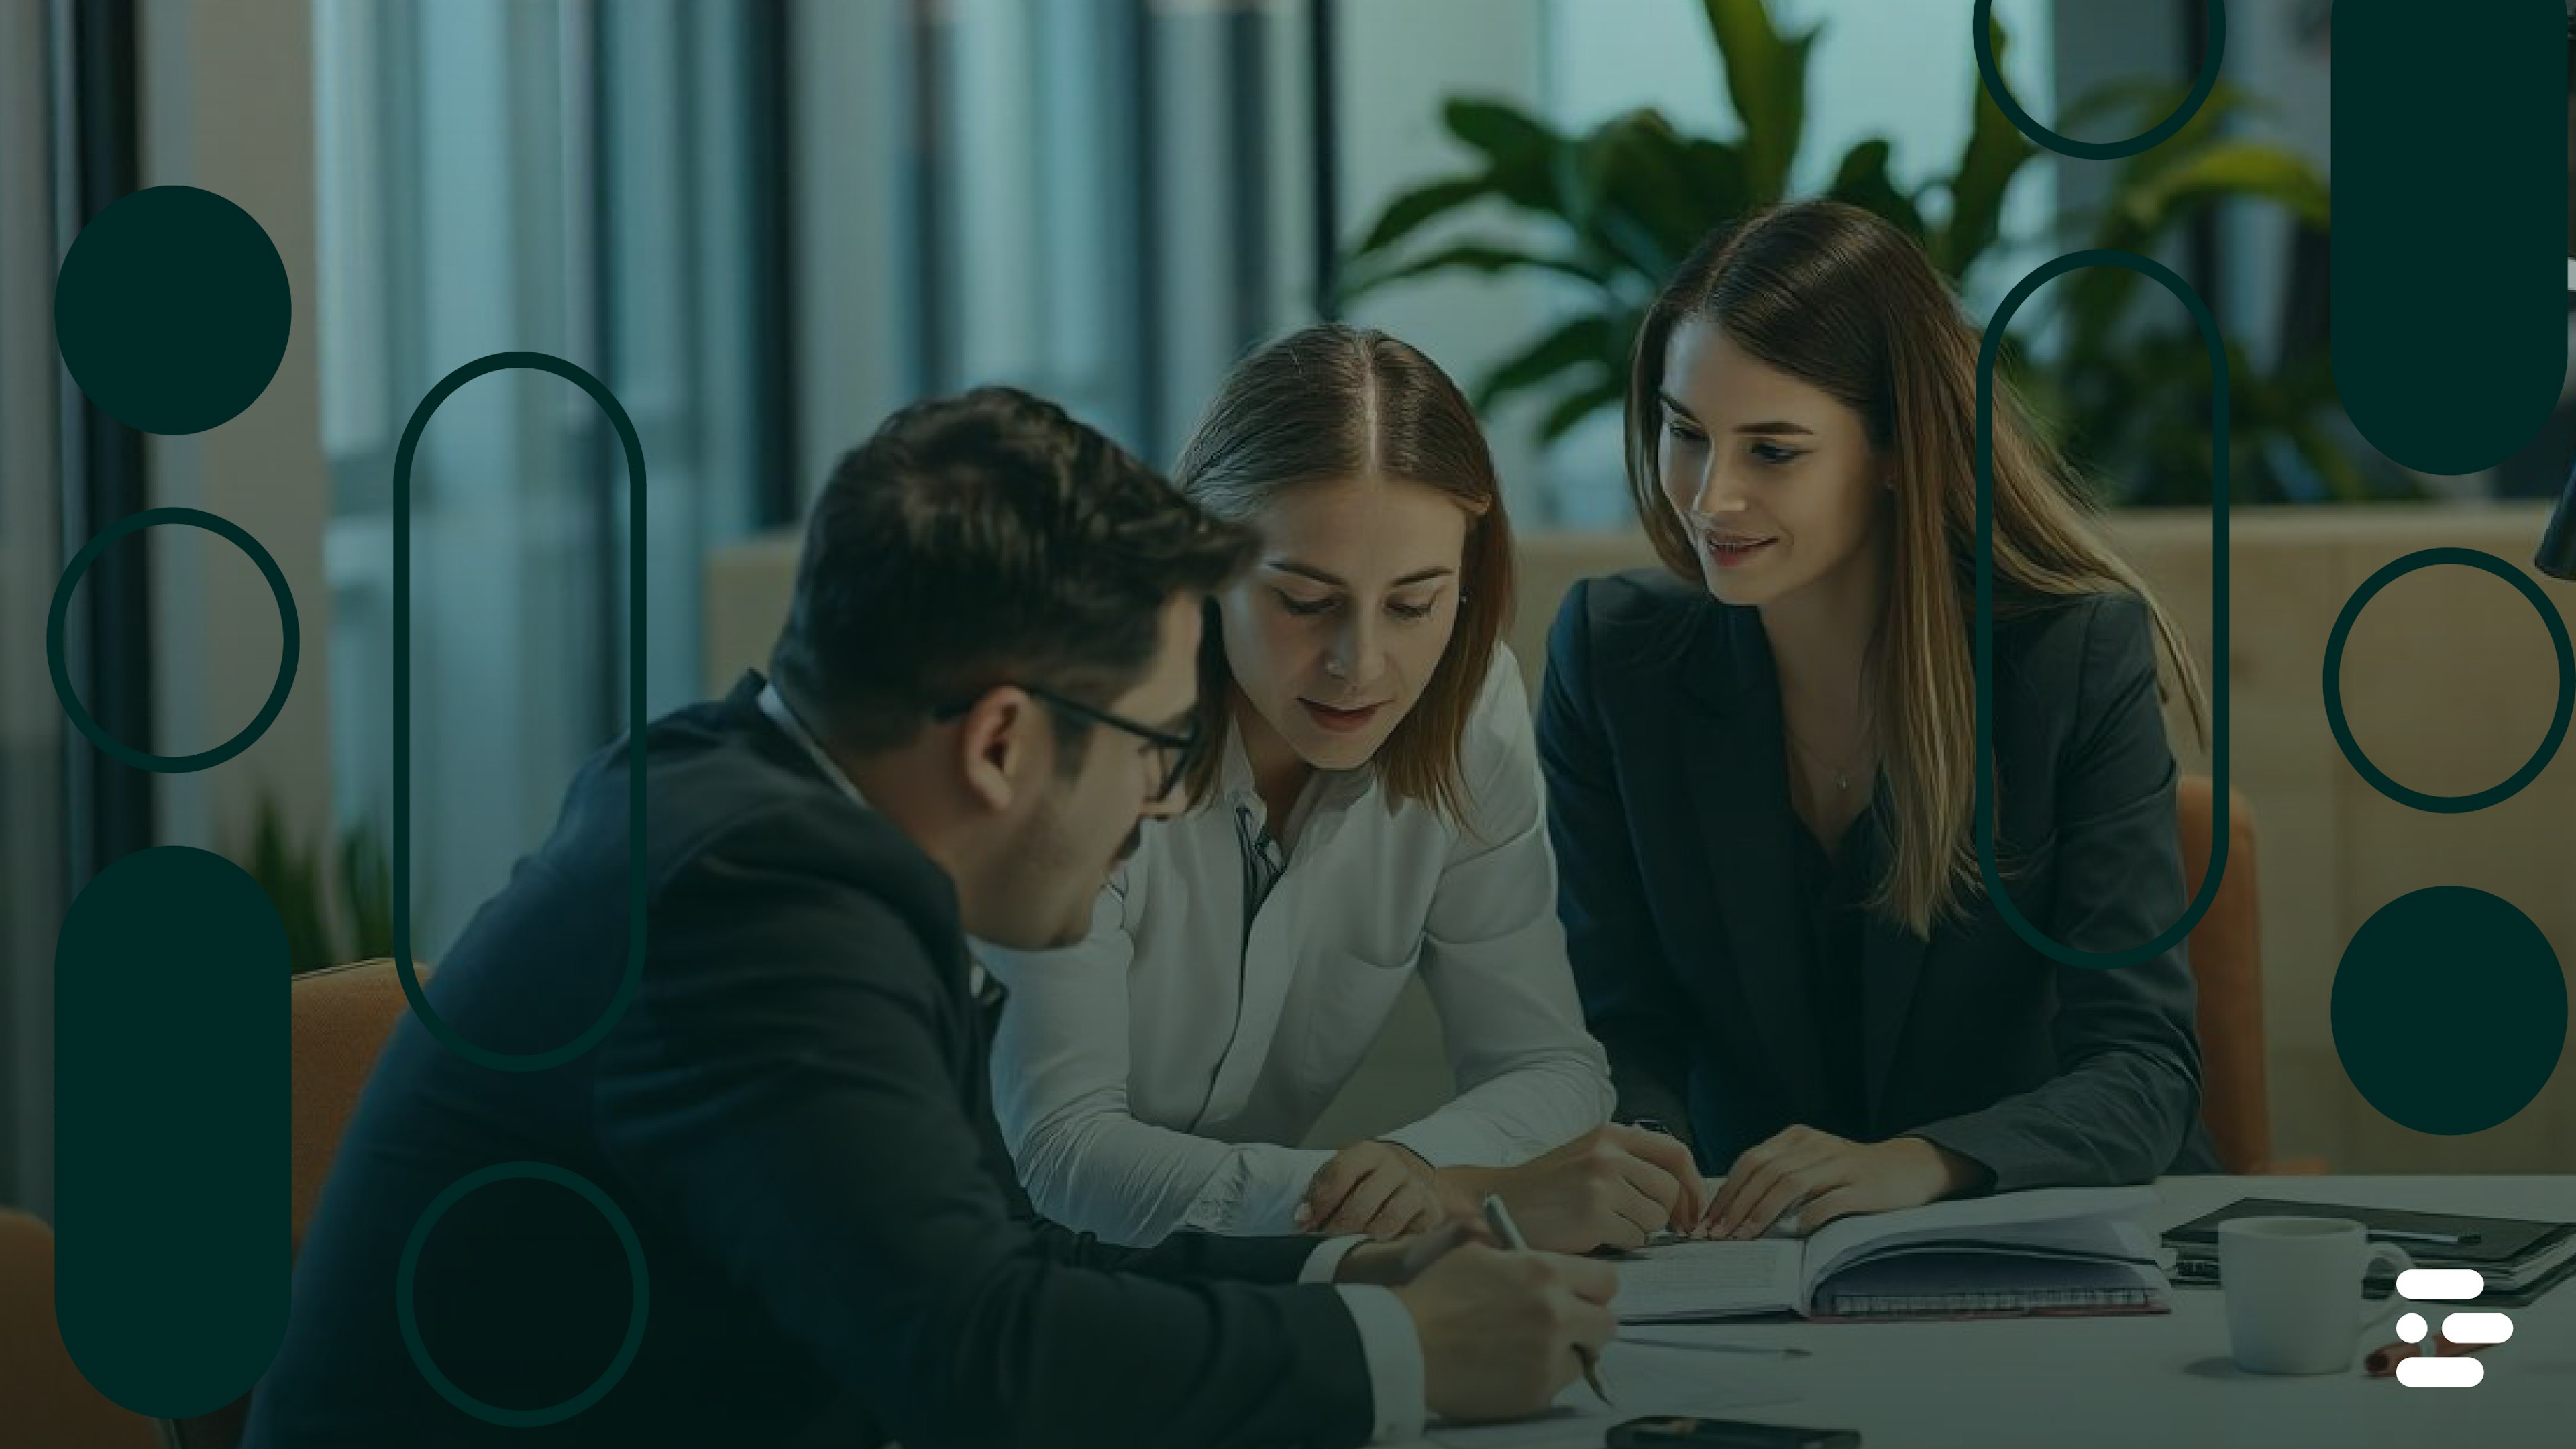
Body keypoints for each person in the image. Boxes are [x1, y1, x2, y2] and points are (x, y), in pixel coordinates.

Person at [245, 388, 1616, 1449]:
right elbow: (979, 1360)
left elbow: (1001, 1263)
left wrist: (1349, 1272)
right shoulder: (755, 909)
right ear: (1003, 743)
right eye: (1155, 746)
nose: (1157, 802)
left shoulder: (760, 820)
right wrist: (1410, 1353)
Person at [1540, 199, 2224, 1244]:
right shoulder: (1611, 657)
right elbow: (1618, 1023)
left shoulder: (2072, 660)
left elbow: (2143, 1070)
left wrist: (1923, 1163)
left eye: (1773, 451)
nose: (1712, 498)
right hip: (1745, 1256)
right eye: (1687, 434)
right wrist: (1644, 1155)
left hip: (2036, 1242)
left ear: (1899, 448)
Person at [980, 324, 1703, 1256]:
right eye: (1306, 602)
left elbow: (1551, 1068)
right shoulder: (1089, 722)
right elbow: (1064, 1156)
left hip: (1245, 1278)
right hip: (979, 1263)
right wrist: (1448, 1200)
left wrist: (1413, 1170)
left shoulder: (1470, 705)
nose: (1360, 664)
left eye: (1413, 604)